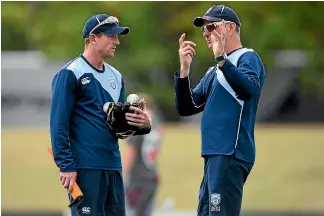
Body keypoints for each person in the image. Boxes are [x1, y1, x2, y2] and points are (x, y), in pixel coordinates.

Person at [49, 14, 152, 216]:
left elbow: (119, 127)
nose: (117, 41)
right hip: (84, 168)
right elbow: (58, 123)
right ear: (93, 38)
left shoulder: (117, 76)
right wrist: (66, 165)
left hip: (113, 166)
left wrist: (142, 124)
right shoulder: (70, 73)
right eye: (111, 36)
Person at [174, 5, 266, 216]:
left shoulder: (247, 57)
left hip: (231, 151)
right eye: (203, 29)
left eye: (211, 26)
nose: (205, 33)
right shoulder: (214, 70)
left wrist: (222, 60)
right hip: (214, 154)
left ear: (230, 27)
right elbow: (186, 107)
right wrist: (184, 70)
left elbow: (248, 89)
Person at [122, 93, 164, 216]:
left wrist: (123, 173)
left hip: (138, 177)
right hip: (151, 174)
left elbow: (131, 150)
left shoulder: (139, 122)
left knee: (133, 212)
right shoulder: (155, 122)